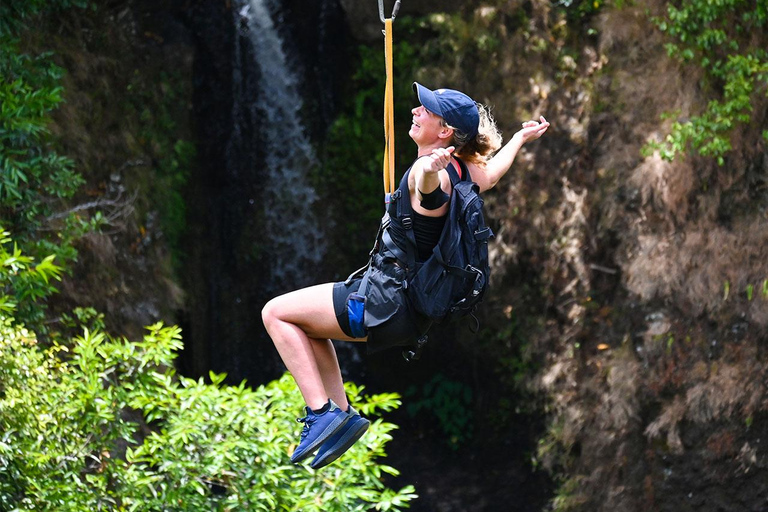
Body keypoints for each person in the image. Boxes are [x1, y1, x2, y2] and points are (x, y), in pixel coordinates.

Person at [261, 82, 550, 469]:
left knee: (274, 313)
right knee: (308, 325)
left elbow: (427, 191)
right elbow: (493, 174)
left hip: (381, 301)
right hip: (407, 309)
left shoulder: (429, 172)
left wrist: (429, 171)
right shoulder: (467, 171)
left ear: (444, 132)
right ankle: (339, 413)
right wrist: (519, 138)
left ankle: (321, 412)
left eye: (425, 110)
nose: (415, 111)